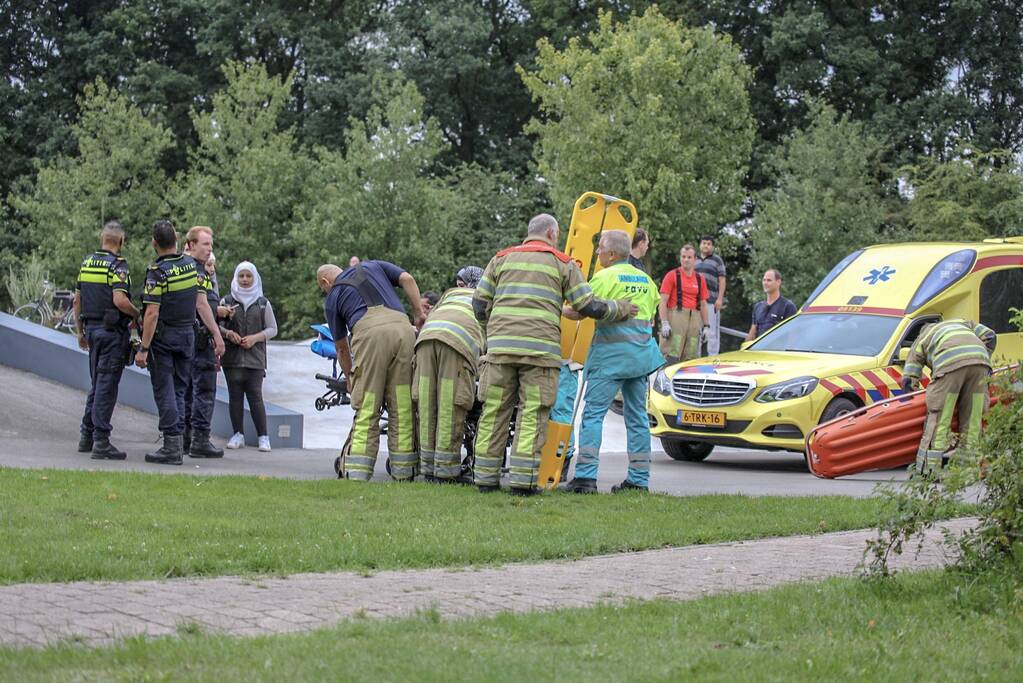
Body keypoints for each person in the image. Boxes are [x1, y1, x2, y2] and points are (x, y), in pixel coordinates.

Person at [471, 213, 638, 495]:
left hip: (500, 351)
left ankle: (485, 479)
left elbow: (478, 304)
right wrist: (620, 308)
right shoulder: (562, 263)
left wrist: (494, 332)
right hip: (540, 353)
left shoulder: (500, 258)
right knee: (532, 413)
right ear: (551, 234)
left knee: (494, 412)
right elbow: (588, 306)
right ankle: (523, 482)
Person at [561, 231, 664, 493]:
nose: (597, 253)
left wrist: (555, 307)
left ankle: (585, 478)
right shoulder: (647, 281)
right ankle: (639, 480)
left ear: (612, 254)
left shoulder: (604, 277)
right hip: (640, 360)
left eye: (600, 249)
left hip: (609, 359)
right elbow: (649, 315)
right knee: (638, 418)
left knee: (593, 415)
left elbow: (580, 310)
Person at [316, 259, 426, 481]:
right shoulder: (373, 265)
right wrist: (418, 313)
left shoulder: (333, 296)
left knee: (368, 405)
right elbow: (407, 278)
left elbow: (341, 348)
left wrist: (349, 378)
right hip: (403, 329)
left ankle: (357, 472)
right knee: (403, 404)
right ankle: (404, 473)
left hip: (370, 335)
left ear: (326, 282)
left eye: (322, 288)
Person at [136, 220, 224, 465]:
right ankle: (180, 443)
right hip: (188, 338)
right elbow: (202, 303)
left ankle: (172, 445)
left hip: (165, 339)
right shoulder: (190, 267)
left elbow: (152, 313)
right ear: (178, 241)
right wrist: (217, 334)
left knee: (165, 391)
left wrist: (144, 347)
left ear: (155, 243)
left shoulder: (157, 271)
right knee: (180, 390)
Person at [73, 220, 140, 460]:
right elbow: (120, 300)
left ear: (102, 238)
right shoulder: (118, 265)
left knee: (97, 384)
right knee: (106, 386)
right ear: (120, 241)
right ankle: (101, 441)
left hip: (91, 331)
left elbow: (76, 302)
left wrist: (80, 332)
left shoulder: (87, 263)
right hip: (112, 334)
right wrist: (136, 313)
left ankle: (86, 435)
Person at [413, 265, 485, 482]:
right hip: (457, 345)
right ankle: (445, 472)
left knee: (427, 405)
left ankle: (427, 469)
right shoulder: (485, 299)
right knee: (449, 406)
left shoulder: (448, 295)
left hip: (425, 342)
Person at [902, 320, 996, 474]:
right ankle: (969, 471)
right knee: (973, 421)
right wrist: (982, 356)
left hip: (949, 365)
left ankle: (930, 471)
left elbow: (910, 375)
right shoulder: (962, 322)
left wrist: (910, 395)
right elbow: (991, 336)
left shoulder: (923, 337)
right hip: (980, 363)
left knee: (940, 420)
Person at [220, 261, 278, 452]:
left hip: (255, 358)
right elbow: (215, 325)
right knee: (235, 397)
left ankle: (263, 436)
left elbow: (272, 329)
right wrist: (229, 334)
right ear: (236, 278)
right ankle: (237, 434)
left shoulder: (263, 303)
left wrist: (255, 338)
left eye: (248, 276)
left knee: (255, 397)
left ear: (255, 278)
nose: (245, 280)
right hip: (232, 358)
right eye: (241, 276)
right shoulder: (226, 301)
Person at [182, 226, 225, 458]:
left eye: (211, 244)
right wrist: (217, 335)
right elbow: (201, 304)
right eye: (205, 244)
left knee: (189, 390)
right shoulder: (196, 271)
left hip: (190, 338)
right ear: (191, 245)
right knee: (204, 390)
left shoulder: (188, 268)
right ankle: (199, 439)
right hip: (201, 338)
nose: (209, 249)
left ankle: (187, 438)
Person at [658, 244, 708, 363]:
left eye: (689, 257)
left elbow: (703, 304)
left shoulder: (700, 279)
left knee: (691, 357)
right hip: (676, 320)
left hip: (694, 322)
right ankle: (665, 380)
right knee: (671, 355)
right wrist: (664, 322)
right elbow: (662, 301)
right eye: (683, 257)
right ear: (680, 258)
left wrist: (706, 326)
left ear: (695, 259)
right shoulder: (672, 276)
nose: (686, 260)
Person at [695, 235, 726, 356]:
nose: (706, 245)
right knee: (696, 332)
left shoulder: (717, 260)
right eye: (704, 243)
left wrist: (720, 299)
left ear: (712, 246)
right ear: (700, 245)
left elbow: (722, 280)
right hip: (696, 303)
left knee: (712, 333)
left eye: (709, 244)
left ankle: (713, 358)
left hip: (711, 301)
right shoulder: (694, 260)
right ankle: (695, 358)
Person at [746, 269, 797, 341]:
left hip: (776, 350)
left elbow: (792, 336)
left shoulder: (788, 306)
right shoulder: (758, 306)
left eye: (769, 280)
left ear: (778, 282)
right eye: (764, 280)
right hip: (758, 350)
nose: (765, 283)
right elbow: (752, 333)